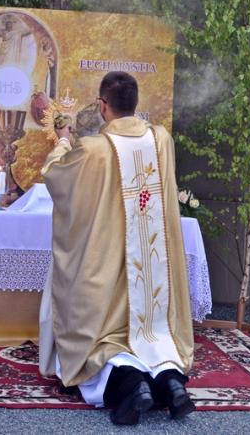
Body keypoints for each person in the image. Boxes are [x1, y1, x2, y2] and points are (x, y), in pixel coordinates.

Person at [40, 71, 195, 425]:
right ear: (136, 104)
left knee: (106, 338)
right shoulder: (161, 139)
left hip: (109, 269)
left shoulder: (93, 149)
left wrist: (63, 142)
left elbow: (55, 176)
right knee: (152, 333)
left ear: (102, 105)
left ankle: (132, 386)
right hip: (152, 273)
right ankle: (171, 382)